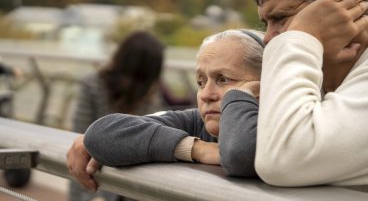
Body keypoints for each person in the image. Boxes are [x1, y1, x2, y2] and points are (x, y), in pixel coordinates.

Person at [66, 29, 263, 193]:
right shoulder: (195, 123)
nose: (206, 95)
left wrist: (241, 97)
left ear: (266, 83)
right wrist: (197, 149)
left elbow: (239, 154)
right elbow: (100, 134)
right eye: (201, 83)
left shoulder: (283, 133)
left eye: (223, 79)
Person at [252, 0, 368, 192]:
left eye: (281, 18)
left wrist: (300, 37)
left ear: (343, 9)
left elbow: (283, 160)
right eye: (265, 23)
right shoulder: (314, 72)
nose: (268, 39)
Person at [69, 31, 166, 201]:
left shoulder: (91, 84)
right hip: (104, 185)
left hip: (97, 184)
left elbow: (78, 133)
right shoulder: (149, 97)